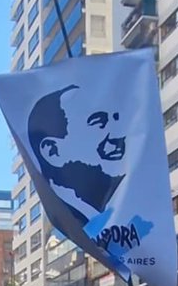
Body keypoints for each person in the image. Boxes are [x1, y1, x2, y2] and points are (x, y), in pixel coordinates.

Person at [27, 84, 126, 228]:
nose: (119, 135)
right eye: (99, 123)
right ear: (53, 151)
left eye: (116, 119)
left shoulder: (128, 202)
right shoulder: (69, 222)